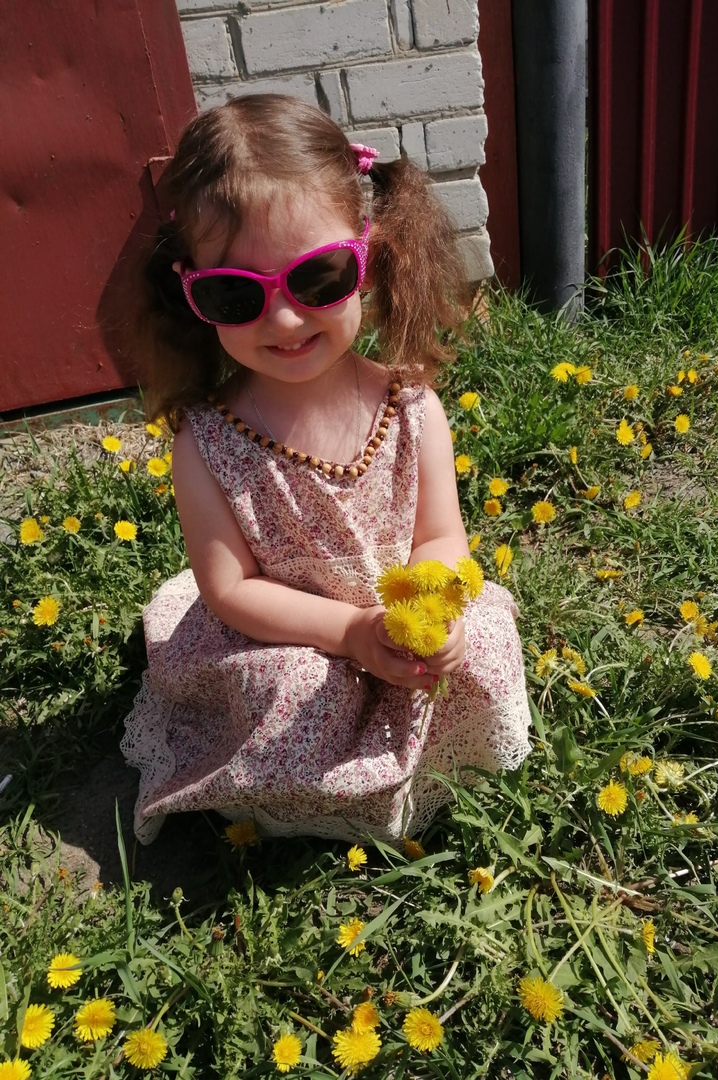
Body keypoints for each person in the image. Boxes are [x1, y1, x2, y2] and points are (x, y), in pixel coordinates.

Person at [121, 94, 532, 845]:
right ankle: (305, 797)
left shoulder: (411, 406)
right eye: (235, 293)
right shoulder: (206, 440)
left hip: (396, 630)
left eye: (317, 279)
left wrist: (430, 614)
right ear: (190, 291)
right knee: (290, 689)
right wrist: (349, 632)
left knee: (481, 640)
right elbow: (230, 590)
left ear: (367, 255)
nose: (284, 319)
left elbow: (441, 538)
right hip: (287, 634)